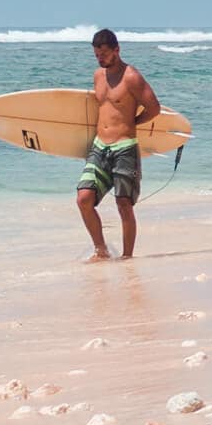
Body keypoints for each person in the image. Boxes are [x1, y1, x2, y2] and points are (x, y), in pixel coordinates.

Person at [76, 29, 160, 260]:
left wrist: (133, 122)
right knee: (83, 199)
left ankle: (127, 258)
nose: (100, 59)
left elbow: (154, 108)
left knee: (124, 204)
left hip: (125, 148)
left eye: (103, 54)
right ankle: (101, 250)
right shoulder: (98, 76)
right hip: (99, 147)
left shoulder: (131, 77)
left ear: (117, 50)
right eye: (96, 55)